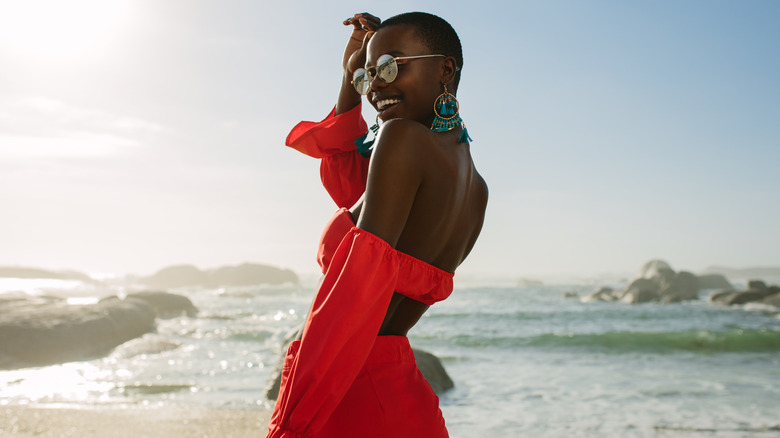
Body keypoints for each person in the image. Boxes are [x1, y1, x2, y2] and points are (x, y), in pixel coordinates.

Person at [267, 11, 488, 438]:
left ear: (445, 70)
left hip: (352, 399)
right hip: (403, 401)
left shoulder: (402, 138)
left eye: (390, 66)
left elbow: (354, 295)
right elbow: (349, 184)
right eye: (368, 75)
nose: (375, 86)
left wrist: (291, 425)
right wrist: (348, 78)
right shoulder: (475, 188)